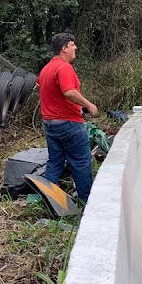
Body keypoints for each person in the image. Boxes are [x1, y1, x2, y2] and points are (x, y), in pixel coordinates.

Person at [37, 33, 98, 203]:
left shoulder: (46, 69)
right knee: (81, 162)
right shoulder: (64, 67)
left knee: (55, 162)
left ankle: (49, 201)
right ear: (64, 49)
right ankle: (87, 202)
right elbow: (69, 92)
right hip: (69, 123)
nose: (75, 48)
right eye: (72, 45)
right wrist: (89, 105)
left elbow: (42, 87)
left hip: (50, 124)